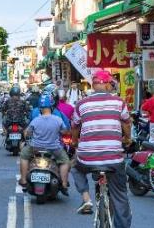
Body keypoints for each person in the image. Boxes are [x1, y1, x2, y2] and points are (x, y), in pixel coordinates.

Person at [70, 70, 132, 227]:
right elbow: (126, 123)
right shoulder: (119, 102)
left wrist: (75, 142)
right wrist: (127, 138)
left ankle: (86, 198)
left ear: (94, 84)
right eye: (111, 83)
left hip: (87, 158)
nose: (111, 86)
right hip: (113, 159)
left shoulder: (81, 104)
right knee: (120, 196)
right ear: (105, 84)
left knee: (75, 167)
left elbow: (75, 126)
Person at [19, 94, 70, 195]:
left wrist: (28, 136)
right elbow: (65, 131)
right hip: (54, 148)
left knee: (24, 156)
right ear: (51, 106)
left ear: (40, 108)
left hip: (35, 148)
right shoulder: (58, 119)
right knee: (65, 161)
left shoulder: (35, 120)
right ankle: (64, 183)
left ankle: (24, 180)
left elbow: (27, 133)